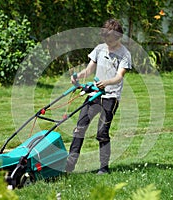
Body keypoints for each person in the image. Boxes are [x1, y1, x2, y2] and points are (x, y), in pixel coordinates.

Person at [66, 19, 132, 174]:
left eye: (110, 40)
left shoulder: (124, 54)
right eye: (105, 39)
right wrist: (78, 76)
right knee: (79, 128)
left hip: (111, 97)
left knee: (102, 132)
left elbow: (119, 77)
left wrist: (107, 83)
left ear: (118, 37)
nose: (107, 43)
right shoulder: (99, 49)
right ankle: (69, 166)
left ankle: (104, 168)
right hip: (95, 94)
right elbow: (89, 70)